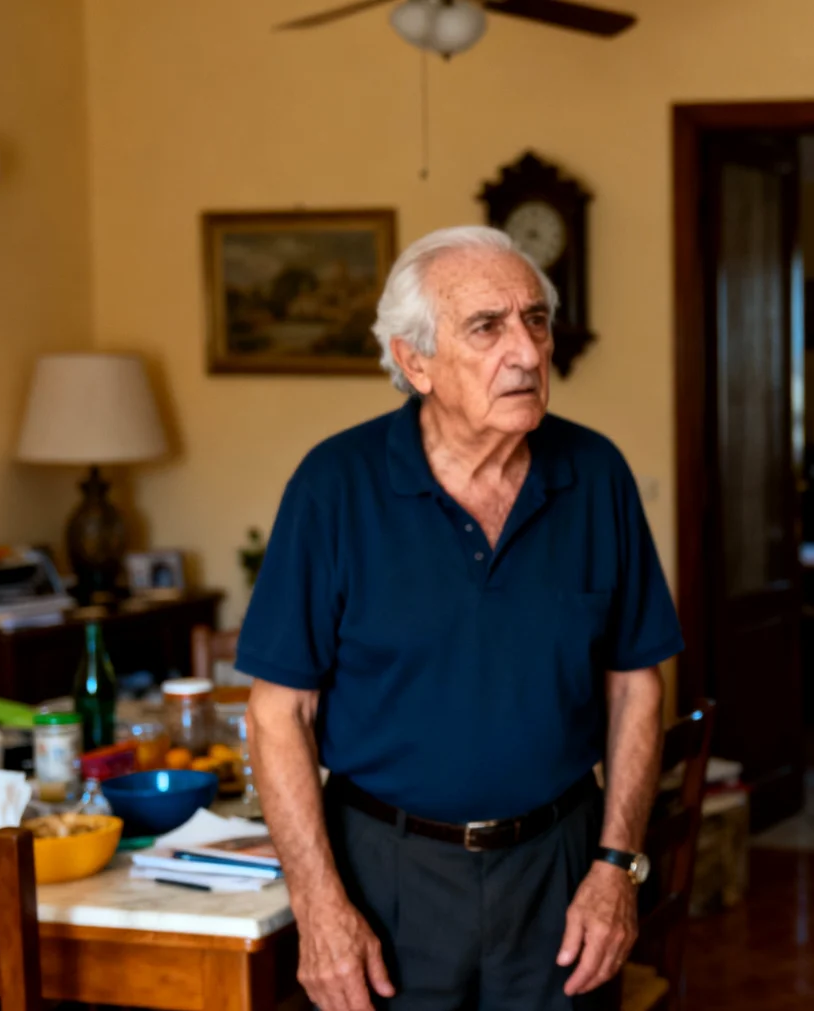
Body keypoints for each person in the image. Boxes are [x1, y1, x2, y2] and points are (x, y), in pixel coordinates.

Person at [240, 226, 682, 1011]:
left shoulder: (597, 473)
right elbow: (279, 711)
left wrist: (617, 866)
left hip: (559, 871)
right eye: (488, 327)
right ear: (415, 363)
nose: (527, 350)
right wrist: (317, 903)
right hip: (388, 874)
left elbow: (636, 685)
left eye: (536, 320)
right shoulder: (334, 486)